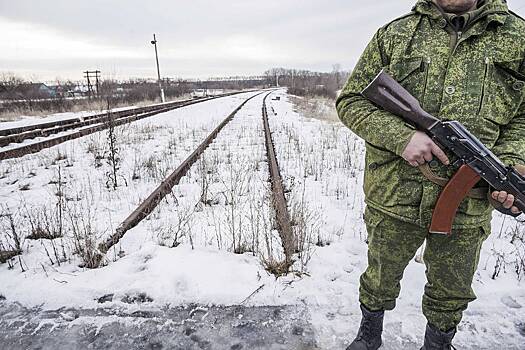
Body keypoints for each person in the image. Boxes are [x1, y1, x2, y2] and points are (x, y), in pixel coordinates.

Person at [336, 0, 525, 349]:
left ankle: (438, 343)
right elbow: (351, 101)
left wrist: (512, 164)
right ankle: (368, 336)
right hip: (393, 195)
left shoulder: (519, 39)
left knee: (451, 290)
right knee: (379, 276)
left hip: (468, 206)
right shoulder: (396, 34)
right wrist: (402, 137)